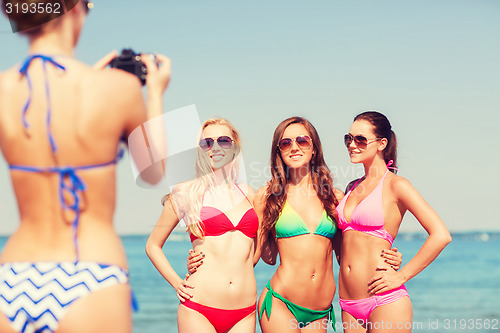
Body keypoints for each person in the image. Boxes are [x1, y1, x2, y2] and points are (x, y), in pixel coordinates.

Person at [0, 1, 171, 332]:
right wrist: (155, 93)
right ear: (74, 9)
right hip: (91, 269)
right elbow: (154, 171)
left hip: (13, 274)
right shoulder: (117, 89)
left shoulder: (4, 90)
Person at [187, 116, 402, 333]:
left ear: (314, 148)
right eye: (285, 143)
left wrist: (385, 256)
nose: (294, 147)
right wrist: (205, 265)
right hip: (280, 302)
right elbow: (256, 256)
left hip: (319, 311)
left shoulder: (335, 197)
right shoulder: (267, 196)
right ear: (278, 151)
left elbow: (346, 253)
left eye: (302, 141)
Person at [336, 111, 452, 332]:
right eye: (348, 138)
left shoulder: (396, 185)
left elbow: (441, 234)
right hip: (349, 305)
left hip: (385, 301)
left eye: (360, 139)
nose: (352, 144)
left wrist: (402, 275)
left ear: (381, 143)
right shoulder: (351, 187)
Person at [146, 118, 259, 333]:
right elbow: (152, 245)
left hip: (245, 311)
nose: (215, 147)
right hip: (200, 308)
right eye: (207, 143)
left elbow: (253, 254)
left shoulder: (249, 194)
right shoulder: (187, 192)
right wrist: (177, 282)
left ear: (234, 147)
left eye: (223, 141)